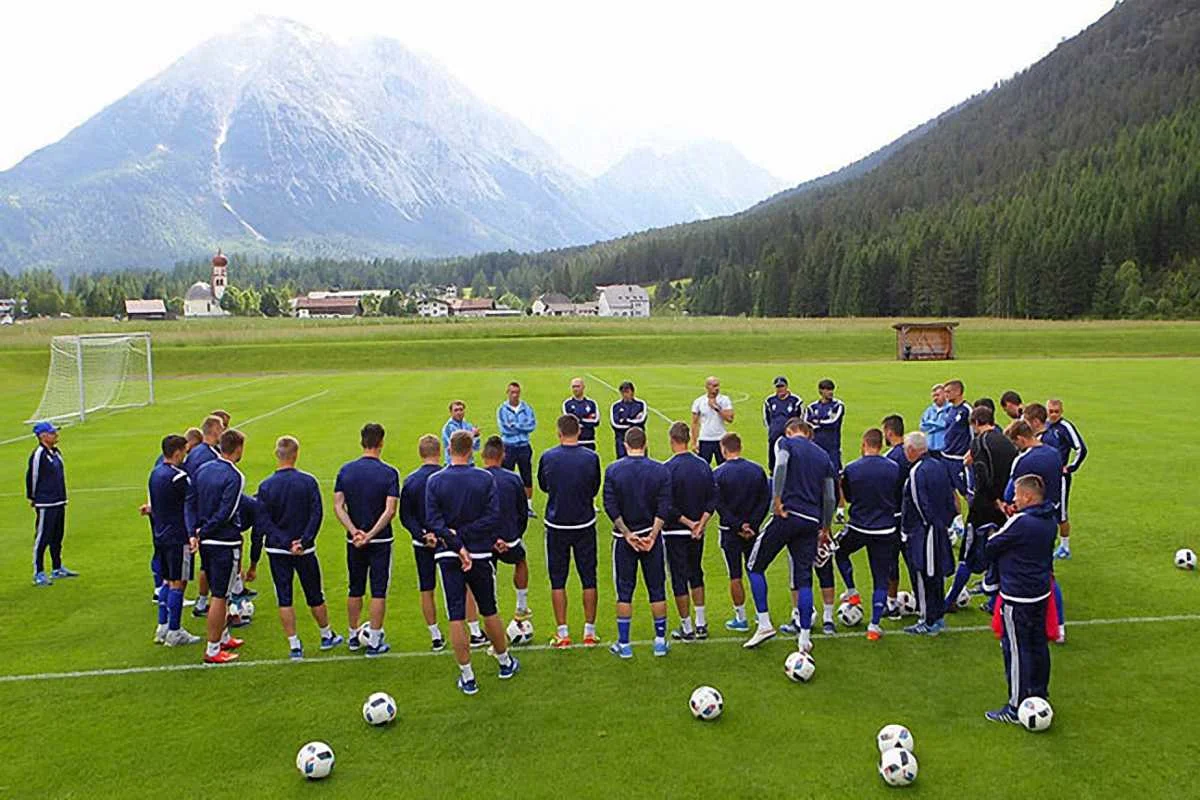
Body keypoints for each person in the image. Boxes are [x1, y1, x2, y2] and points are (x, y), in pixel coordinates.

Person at [425, 430, 520, 695]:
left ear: (448, 448)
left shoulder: (435, 481)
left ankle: (468, 677)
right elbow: (493, 517)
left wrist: (456, 542)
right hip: (479, 553)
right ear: (471, 450)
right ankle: (504, 662)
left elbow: (434, 523)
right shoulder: (484, 478)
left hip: (448, 554)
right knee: (489, 609)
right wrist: (466, 542)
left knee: (456, 614)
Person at [744, 417, 836, 653]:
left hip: (787, 515)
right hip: (811, 522)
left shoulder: (785, 443)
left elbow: (781, 466)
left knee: (755, 566)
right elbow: (830, 497)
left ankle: (764, 623)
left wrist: (776, 498)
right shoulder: (824, 456)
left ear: (790, 430)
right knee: (804, 578)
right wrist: (825, 528)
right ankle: (804, 638)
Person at [250, 436, 343, 660]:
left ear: (277, 455)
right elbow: (316, 514)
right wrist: (303, 541)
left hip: (277, 551)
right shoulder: (308, 482)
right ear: (296, 454)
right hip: (304, 550)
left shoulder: (265, 486)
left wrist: (282, 542)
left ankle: (294, 645)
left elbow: (263, 522)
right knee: (314, 593)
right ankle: (326, 634)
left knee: (284, 596)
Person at [983, 474, 1057, 724]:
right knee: (1038, 645)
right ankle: (1039, 692)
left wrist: (998, 529)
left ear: (1027, 497)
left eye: (1016, 494)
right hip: (1040, 592)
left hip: (1017, 595)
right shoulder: (1049, 519)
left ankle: (1015, 706)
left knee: (1015, 649)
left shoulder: (1022, 522)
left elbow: (992, 545)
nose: (1013, 498)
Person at [603, 427, 672, 658]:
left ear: (625, 444)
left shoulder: (614, 470)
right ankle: (660, 641)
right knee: (657, 589)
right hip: (651, 538)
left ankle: (624, 645)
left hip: (624, 541)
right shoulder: (660, 471)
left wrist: (627, 534)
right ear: (645, 443)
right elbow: (664, 506)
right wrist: (652, 536)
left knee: (624, 591)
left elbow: (610, 506)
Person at [333, 423, 400, 658]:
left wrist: (355, 532)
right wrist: (371, 534)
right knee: (378, 591)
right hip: (380, 540)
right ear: (381, 442)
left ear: (362, 442)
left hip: (354, 541)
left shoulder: (346, 470)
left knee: (355, 588)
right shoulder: (389, 473)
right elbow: (390, 510)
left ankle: (353, 635)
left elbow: (338, 506)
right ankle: (374, 639)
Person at [537, 414, 602, 648]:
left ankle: (563, 633)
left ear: (559, 432)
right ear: (580, 432)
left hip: (557, 524)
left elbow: (544, 486)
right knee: (588, 578)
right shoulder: (591, 458)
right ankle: (589, 632)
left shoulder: (548, 457)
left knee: (558, 580)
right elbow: (595, 486)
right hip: (584, 522)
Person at [188, 428, 252, 664]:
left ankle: (223, 636)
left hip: (206, 540)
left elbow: (191, 501)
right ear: (237, 449)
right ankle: (213, 649)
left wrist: (194, 529)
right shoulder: (235, 476)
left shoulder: (203, 469)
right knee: (221, 596)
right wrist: (204, 529)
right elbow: (227, 511)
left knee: (218, 591)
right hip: (224, 541)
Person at [946, 405, 1017, 614]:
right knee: (999, 550)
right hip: (1005, 505)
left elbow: (983, 475)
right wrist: (1004, 500)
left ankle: (950, 598)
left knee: (967, 554)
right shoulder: (1007, 441)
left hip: (984, 506)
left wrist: (993, 499)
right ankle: (994, 601)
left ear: (976, 423)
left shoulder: (979, 442)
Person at [833, 429, 901, 641]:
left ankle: (852, 592)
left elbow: (848, 496)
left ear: (864, 444)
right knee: (880, 577)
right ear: (880, 445)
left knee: (840, 552)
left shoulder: (852, 468)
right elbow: (897, 495)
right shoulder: (894, 468)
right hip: (885, 529)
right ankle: (874, 626)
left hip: (859, 527)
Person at [1003, 419, 1067, 642]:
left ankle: (1029, 622)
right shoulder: (1053, 453)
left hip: (1029, 520)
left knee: (1025, 571)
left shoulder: (1023, 460)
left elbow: (1011, 490)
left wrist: (1006, 504)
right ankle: (1058, 626)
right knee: (1047, 571)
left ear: (1021, 438)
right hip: (1049, 518)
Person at [662, 421, 716, 642]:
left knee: (678, 577)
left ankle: (687, 627)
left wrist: (687, 522)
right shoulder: (703, 465)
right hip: (697, 532)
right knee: (696, 572)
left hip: (676, 531)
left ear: (672, 440)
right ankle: (701, 623)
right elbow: (712, 497)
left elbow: (667, 504)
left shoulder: (667, 468)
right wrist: (700, 523)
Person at [900, 431, 957, 636]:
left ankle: (927, 619)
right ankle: (937, 616)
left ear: (912, 450)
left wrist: (916, 528)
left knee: (923, 574)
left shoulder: (917, 471)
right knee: (936, 574)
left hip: (924, 532)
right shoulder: (939, 465)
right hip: (938, 528)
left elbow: (917, 501)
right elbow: (951, 497)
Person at [712, 433, 770, 632]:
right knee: (755, 570)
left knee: (734, 574)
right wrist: (752, 524)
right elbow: (765, 500)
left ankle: (741, 617)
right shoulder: (757, 470)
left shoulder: (718, 473)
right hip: (753, 531)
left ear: (723, 449)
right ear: (740, 446)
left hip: (729, 531)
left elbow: (719, 505)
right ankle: (762, 614)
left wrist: (737, 526)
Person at [148, 435, 200, 646]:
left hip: (160, 534)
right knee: (178, 583)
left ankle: (162, 627)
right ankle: (175, 631)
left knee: (167, 581)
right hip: (178, 536)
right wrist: (191, 534)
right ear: (177, 451)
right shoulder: (180, 477)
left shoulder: (155, 473)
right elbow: (188, 507)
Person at [400, 435, 448, 652]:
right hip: (447, 541)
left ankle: (435, 635)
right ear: (440, 452)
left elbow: (406, 516)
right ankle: (474, 630)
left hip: (422, 544)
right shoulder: (446, 477)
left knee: (426, 588)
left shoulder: (411, 480)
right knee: (458, 585)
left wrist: (421, 535)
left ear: (420, 453)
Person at [482, 436, 533, 623]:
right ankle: (521, 606)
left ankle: (491, 609)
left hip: (484, 539)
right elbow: (523, 512)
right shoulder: (513, 479)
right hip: (510, 536)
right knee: (520, 560)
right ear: (503, 456)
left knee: (488, 571)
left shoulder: (477, 478)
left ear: (482, 455)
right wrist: (515, 534)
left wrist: (491, 538)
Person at [184, 415, 225, 617]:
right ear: (215, 430)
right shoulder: (207, 455)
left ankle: (200, 602)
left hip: (197, 514)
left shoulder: (197, 452)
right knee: (211, 562)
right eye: (222, 428)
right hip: (206, 516)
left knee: (204, 562)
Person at [27, 421, 75, 586]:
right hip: (46, 502)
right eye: (52, 433)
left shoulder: (55, 453)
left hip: (59, 500)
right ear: (43, 436)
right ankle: (38, 571)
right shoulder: (39, 454)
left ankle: (57, 567)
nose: (56, 435)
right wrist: (34, 497)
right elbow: (33, 476)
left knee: (57, 536)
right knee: (43, 537)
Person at [1046, 398, 1087, 560]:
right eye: (1051, 411)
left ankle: (1065, 546)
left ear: (1061, 412)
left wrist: (1070, 468)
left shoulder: (1066, 427)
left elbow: (1081, 449)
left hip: (1060, 477)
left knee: (1060, 512)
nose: (1054, 415)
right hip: (1047, 475)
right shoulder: (1045, 426)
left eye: (1057, 412)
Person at [880, 414, 911, 617]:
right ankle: (923, 599)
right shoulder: (911, 454)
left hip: (893, 516)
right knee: (913, 561)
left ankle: (890, 603)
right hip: (911, 516)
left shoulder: (890, 459)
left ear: (889, 432)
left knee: (890, 560)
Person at [497, 382, 537, 516]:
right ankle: (507, 505)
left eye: (517, 392)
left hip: (524, 446)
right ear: (507, 393)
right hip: (508, 446)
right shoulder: (502, 409)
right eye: (512, 392)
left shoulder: (526, 408)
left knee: (527, 475)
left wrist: (515, 425)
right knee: (507, 476)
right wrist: (521, 427)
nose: (515, 395)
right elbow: (504, 429)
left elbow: (531, 425)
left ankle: (528, 506)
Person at [690, 376, 734, 466]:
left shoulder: (724, 400)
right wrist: (694, 442)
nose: (716, 388)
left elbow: (730, 419)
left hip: (721, 439)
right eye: (714, 386)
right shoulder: (699, 402)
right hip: (705, 439)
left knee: (724, 466)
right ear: (707, 387)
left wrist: (717, 409)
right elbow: (694, 423)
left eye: (717, 386)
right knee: (703, 467)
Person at [763, 376, 804, 471]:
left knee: (792, 457)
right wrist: (772, 429)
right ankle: (773, 473)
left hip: (791, 435)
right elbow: (766, 418)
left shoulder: (796, 401)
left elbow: (801, 418)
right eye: (778, 387)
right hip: (774, 435)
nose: (780, 389)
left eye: (782, 386)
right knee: (774, 458)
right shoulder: (769, 401)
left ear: (786, 387)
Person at [941, 379, 973, 496]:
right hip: (946, 456)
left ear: (958, 392)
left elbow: (974, 433)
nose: (946, 395)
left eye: (948, 392)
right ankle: (957, 514)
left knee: (965, 491)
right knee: (949, 491)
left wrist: (971, 451)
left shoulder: (967, 410)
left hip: (960, 458)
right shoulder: (950, 409)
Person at [807, 379, 845, 474]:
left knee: (834, 473)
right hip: (816, 445)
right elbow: (806, 423)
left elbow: (833, 422)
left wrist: (817, 422)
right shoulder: (812, 407)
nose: (830, 392)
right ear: (821, 391)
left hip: (832, 446)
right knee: (815, 472)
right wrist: (817, 423)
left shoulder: (837, 405)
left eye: (831, 389)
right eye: (827, 390)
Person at [610, 381, 648, 460]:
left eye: (627, 392)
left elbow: (641, 420)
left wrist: (625, 420)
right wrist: (633, 421)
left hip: (638, 441)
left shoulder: (640, 404)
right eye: (623, 392)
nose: (625, 395)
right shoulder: (616, 406)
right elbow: (615, 424)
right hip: (622, 442)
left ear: (632, 392)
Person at [562, 377, 600, 451]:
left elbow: (596, 421)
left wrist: (580, 419)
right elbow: (569, 423)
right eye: (573, 387)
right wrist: (587, 418)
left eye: (578, 386)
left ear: (583, 387)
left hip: (589, 441)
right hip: (573, 442)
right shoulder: (567, 404)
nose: (575, 389)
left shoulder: (591, 403)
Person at [440, 401, 480, 465]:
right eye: (456, 410)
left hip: (469, 463)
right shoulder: (449, 427)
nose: (459, 412)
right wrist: (472, 435)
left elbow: (476, 447)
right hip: (453, 464)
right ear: (451, 412)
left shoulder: (468, 425)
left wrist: (477, 436)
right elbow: (458, 445)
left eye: (461, 410)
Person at [919, 384, 949, 454]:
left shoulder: (950, 409)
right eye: (933, 396)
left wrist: (930, 423)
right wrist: (938, 425)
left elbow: (946, 425)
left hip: (943, 448)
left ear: (945, 394)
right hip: (929, 448)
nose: (935, 398)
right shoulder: (929, 410)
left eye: (938, 395)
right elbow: (922, 427)